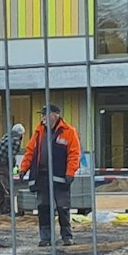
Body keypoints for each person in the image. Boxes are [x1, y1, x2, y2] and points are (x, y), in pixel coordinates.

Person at [18, 103, 83, 247]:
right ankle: (45, 238)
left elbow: (74, 154)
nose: (42, 118)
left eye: (45, 115)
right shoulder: (39, 132)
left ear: (55, 115)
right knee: (43, 207)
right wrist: (24, 168)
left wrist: (70, 172)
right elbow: (30, 152)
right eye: (41, 115)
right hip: (42, 177)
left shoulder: (68, 131)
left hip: (60, 177)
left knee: (63, 207)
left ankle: (67, 237)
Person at [0, 122, 25, 215]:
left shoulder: (6, 136)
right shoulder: (16, 140)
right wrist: (14, 168)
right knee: (7, 188)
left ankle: (2, 209)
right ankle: (8, 211)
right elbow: (11, 157)